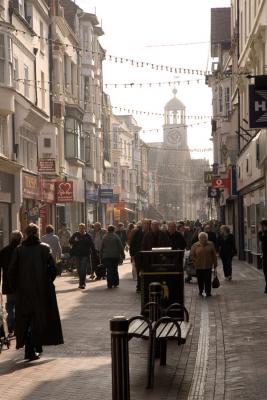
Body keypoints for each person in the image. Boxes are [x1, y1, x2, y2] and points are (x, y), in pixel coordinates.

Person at [8, 223, 63, 361]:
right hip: (41, 291)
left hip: (23, 292)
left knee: (26, 319)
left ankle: (31, 347)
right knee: (40, 319)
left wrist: (16, 288)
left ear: (26, 234)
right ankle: (31, 349)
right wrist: (47, 282)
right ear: (37, 233)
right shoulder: (44, 249)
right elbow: (53, 269)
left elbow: (12, 271)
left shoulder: (19, 250)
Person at [0, 231, 23, 335]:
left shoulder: (4, 251)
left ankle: (10, 323)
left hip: (8, 282)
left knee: (9, 303)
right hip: (20, 283)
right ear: (20, 239)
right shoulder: (22, 250)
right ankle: (17, 325)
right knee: (19, 304)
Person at [69, 223, 96, 289]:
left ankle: (82, 283)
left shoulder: (87, 235)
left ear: (84, 228)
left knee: (83, 269)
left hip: (85, 254)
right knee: (78, 269)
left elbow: (91, 244)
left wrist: (94, 252)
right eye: (80, 228)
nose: (81, 229)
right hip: (77, 254)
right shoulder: (76, 234)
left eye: (82, 228)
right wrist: (75, 241)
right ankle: (81, 282)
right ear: (78, 228)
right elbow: (70, 241)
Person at [190, 232, 217, 297]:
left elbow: (214, 254)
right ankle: (200, 290)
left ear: (206, 238)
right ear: (198, 238)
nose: (202, 239)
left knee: (208, 279)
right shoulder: (195, 245)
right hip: (199, 265)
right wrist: (195, 262)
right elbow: (192, 255)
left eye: (204, 237)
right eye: (201, 238)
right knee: (200, 279)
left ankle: (208, 292)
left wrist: (215, 264)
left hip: (208, 265)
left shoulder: (210, 244)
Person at [130, 221, 145, 291]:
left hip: (138, 255)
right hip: (140, 255)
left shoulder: (136, 233)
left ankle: (139, 286)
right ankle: (140, 285)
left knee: (139, 270)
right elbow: (132, 244)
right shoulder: (141, 233)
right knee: (140, 270)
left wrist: (132, 254)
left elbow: (132, 244)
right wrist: (132, 254)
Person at [258, 219, 267, 293]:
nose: (260, 227)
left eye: (261, 225)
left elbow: (261, 239)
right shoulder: (263, 233)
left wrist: (260, 232)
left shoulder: (264, 233)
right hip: (264, 254)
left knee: (266, 271)